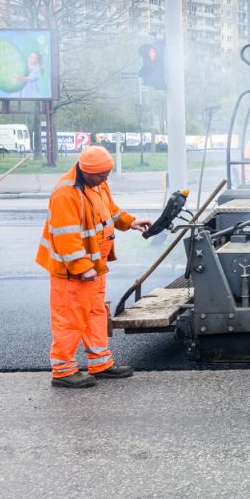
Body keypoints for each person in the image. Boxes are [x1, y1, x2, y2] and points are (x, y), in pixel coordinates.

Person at [36, 146, 152, 389]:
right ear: (86, 171)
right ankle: (63, 371)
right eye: (102, 174)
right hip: (73, 271)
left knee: (95, 313)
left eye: (107, 173)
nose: (105, 178)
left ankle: (100, 363)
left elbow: (109, 209)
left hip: (95, 264)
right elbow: (66, 235)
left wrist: (129, 222)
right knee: (70, 318)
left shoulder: (97, 183)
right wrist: (81, 267)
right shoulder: (65, 194)